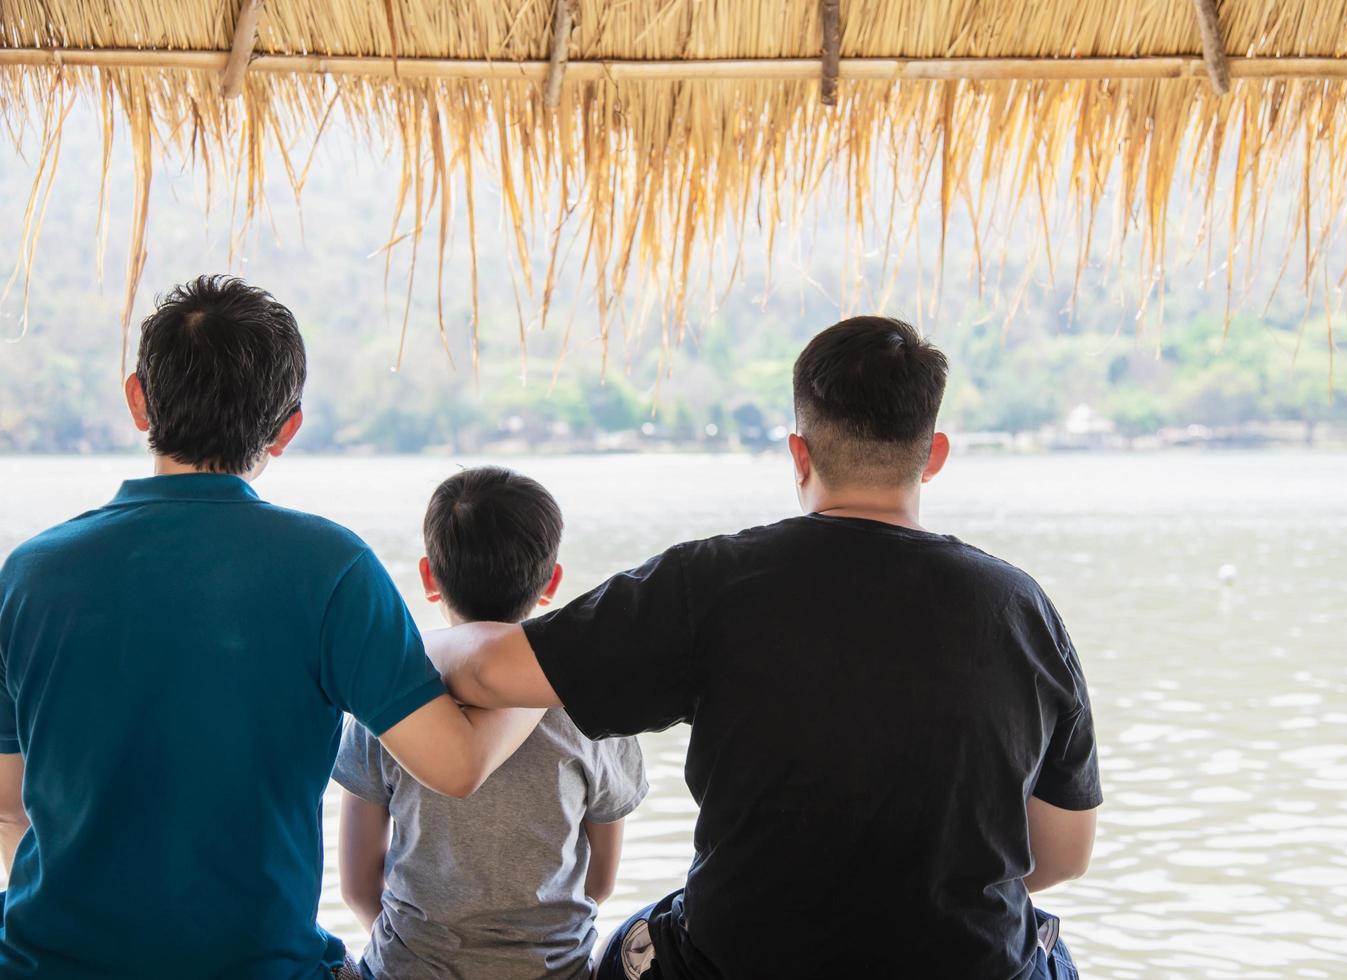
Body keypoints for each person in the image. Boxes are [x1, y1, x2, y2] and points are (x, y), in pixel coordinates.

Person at [426, 316, 1102, 980]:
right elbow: (1064, 856)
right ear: (934, 455)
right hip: (972, 963)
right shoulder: (1023, 609)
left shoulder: (711, 581)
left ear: (799, 455)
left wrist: (427, 641)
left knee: (626, 950)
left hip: (742, 961)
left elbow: (486, 674)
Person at [0, 276, 544, 978]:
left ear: (138, 400)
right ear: (287, 428)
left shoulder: (29, 573)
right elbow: (457, 765)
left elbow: (10, 808)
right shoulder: (331, 568)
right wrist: (548, 669)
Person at [334, 467, 647, 980]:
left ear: (429, 578)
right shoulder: (592, 706)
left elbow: (356, 887)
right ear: (551, 583)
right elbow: (600, 882)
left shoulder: (387, 700)